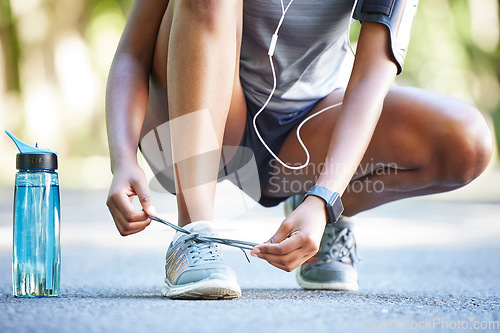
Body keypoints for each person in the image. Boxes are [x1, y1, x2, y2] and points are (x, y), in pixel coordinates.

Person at [105, 0, 493, 300]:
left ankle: (314, 211)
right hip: (200, 130)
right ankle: (194, 234)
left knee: (468, 142)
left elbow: (373, 75)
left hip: (308, 135)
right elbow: (131, 54)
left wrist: (324, 199)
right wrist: (123, 159)